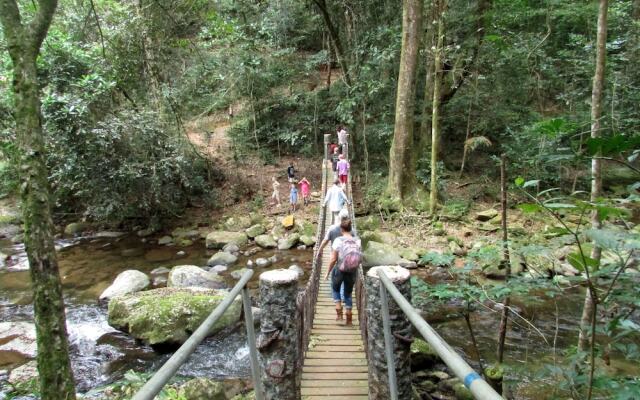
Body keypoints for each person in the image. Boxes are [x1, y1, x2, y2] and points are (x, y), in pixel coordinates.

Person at [324, 218, 361, 325]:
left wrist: (327, 272)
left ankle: (339, 316)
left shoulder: (338, 240)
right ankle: (349, 320)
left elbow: (333, 259)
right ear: (351, 229)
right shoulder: (357, 240)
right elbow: (357, 257)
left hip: (339, 269)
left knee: (335, 290)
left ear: (341, 229)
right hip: (352, 271)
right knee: (348, 294)